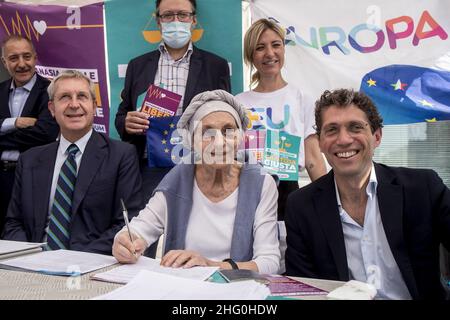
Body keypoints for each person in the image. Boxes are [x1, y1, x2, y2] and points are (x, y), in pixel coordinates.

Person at [285, 88, 450, 300]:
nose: (343, 140)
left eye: (355, 127)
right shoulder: (301, 206)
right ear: (320, 143)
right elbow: (303, 290)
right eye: (332, 130)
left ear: (377, 136)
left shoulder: (422, 189)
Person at [112, 90, 280, 274]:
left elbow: (269, 262)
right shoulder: (177, 179)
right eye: (207, 132)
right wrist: (124, 243)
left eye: (228, 131)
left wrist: (210, 266)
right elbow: (139, 229)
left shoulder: (261, 183)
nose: (219, 142)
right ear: (191, 141)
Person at [3, 70, 144, 255]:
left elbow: (126, 223)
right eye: (65, 97)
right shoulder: (29, 159)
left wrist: (73, 261)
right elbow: (14, 223)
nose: (74, 104)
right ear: (52, 109)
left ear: (94, 107)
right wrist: (31, 256)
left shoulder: (121, 156)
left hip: (92, 264)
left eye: (82, 96)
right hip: (35, 262)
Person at [115, 0, 231, 200]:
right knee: (149, 228)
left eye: (183, 15)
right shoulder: (138, 66)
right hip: (149, 168)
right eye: (168, 15)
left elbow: (226, 118)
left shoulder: (216, 66)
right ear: (158, 22)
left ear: (193, 20)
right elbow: (121, 116)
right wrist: (126, 122)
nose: (176, 21)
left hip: (199, 166)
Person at [235, 18, 326, 220]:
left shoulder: (302, 98)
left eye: (276, 45)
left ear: (284, 49)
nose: (269, 53)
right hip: (246, 190)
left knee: (288, 249)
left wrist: (328, 200)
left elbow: (313, 158)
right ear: (251, 55)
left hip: (288, 192)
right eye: (260, 47)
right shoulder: (237, 103)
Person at [0, 35, 59, 234]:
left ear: (35, 57)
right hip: (1, 177)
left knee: (26, 236)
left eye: (27, 56)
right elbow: (34, 133)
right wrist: (15, 123)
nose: (22, 64)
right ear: (4, 62)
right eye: (14, 58)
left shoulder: (50, 90)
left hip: (33, 176)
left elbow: (45, 134)